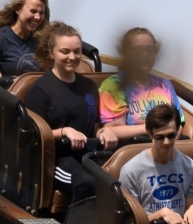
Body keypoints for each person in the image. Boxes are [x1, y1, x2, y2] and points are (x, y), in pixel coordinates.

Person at [23, 22, 135, 196]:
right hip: (55, 158)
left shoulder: (89, 86)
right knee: (87, 183)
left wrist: (104, 131)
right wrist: (65, 131)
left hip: (88, 155)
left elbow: (94, 124)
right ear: (52, 53)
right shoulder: (41, 89)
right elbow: (32, 133)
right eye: (65, 51)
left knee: (122, 181)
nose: (72, 57)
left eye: (77, 51)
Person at [98, 26, 186, 136]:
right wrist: (156, 129)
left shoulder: (165, 85)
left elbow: (178, 126)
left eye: (150, 50)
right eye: (138, 50)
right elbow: (112, 131)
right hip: (134, 145)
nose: (145, 55)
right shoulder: (114, 85)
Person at [0, 0, 49, 78]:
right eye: (33, 11)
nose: (37, 17)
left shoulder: (42, 43)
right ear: (18, 9)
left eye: (41, 13)